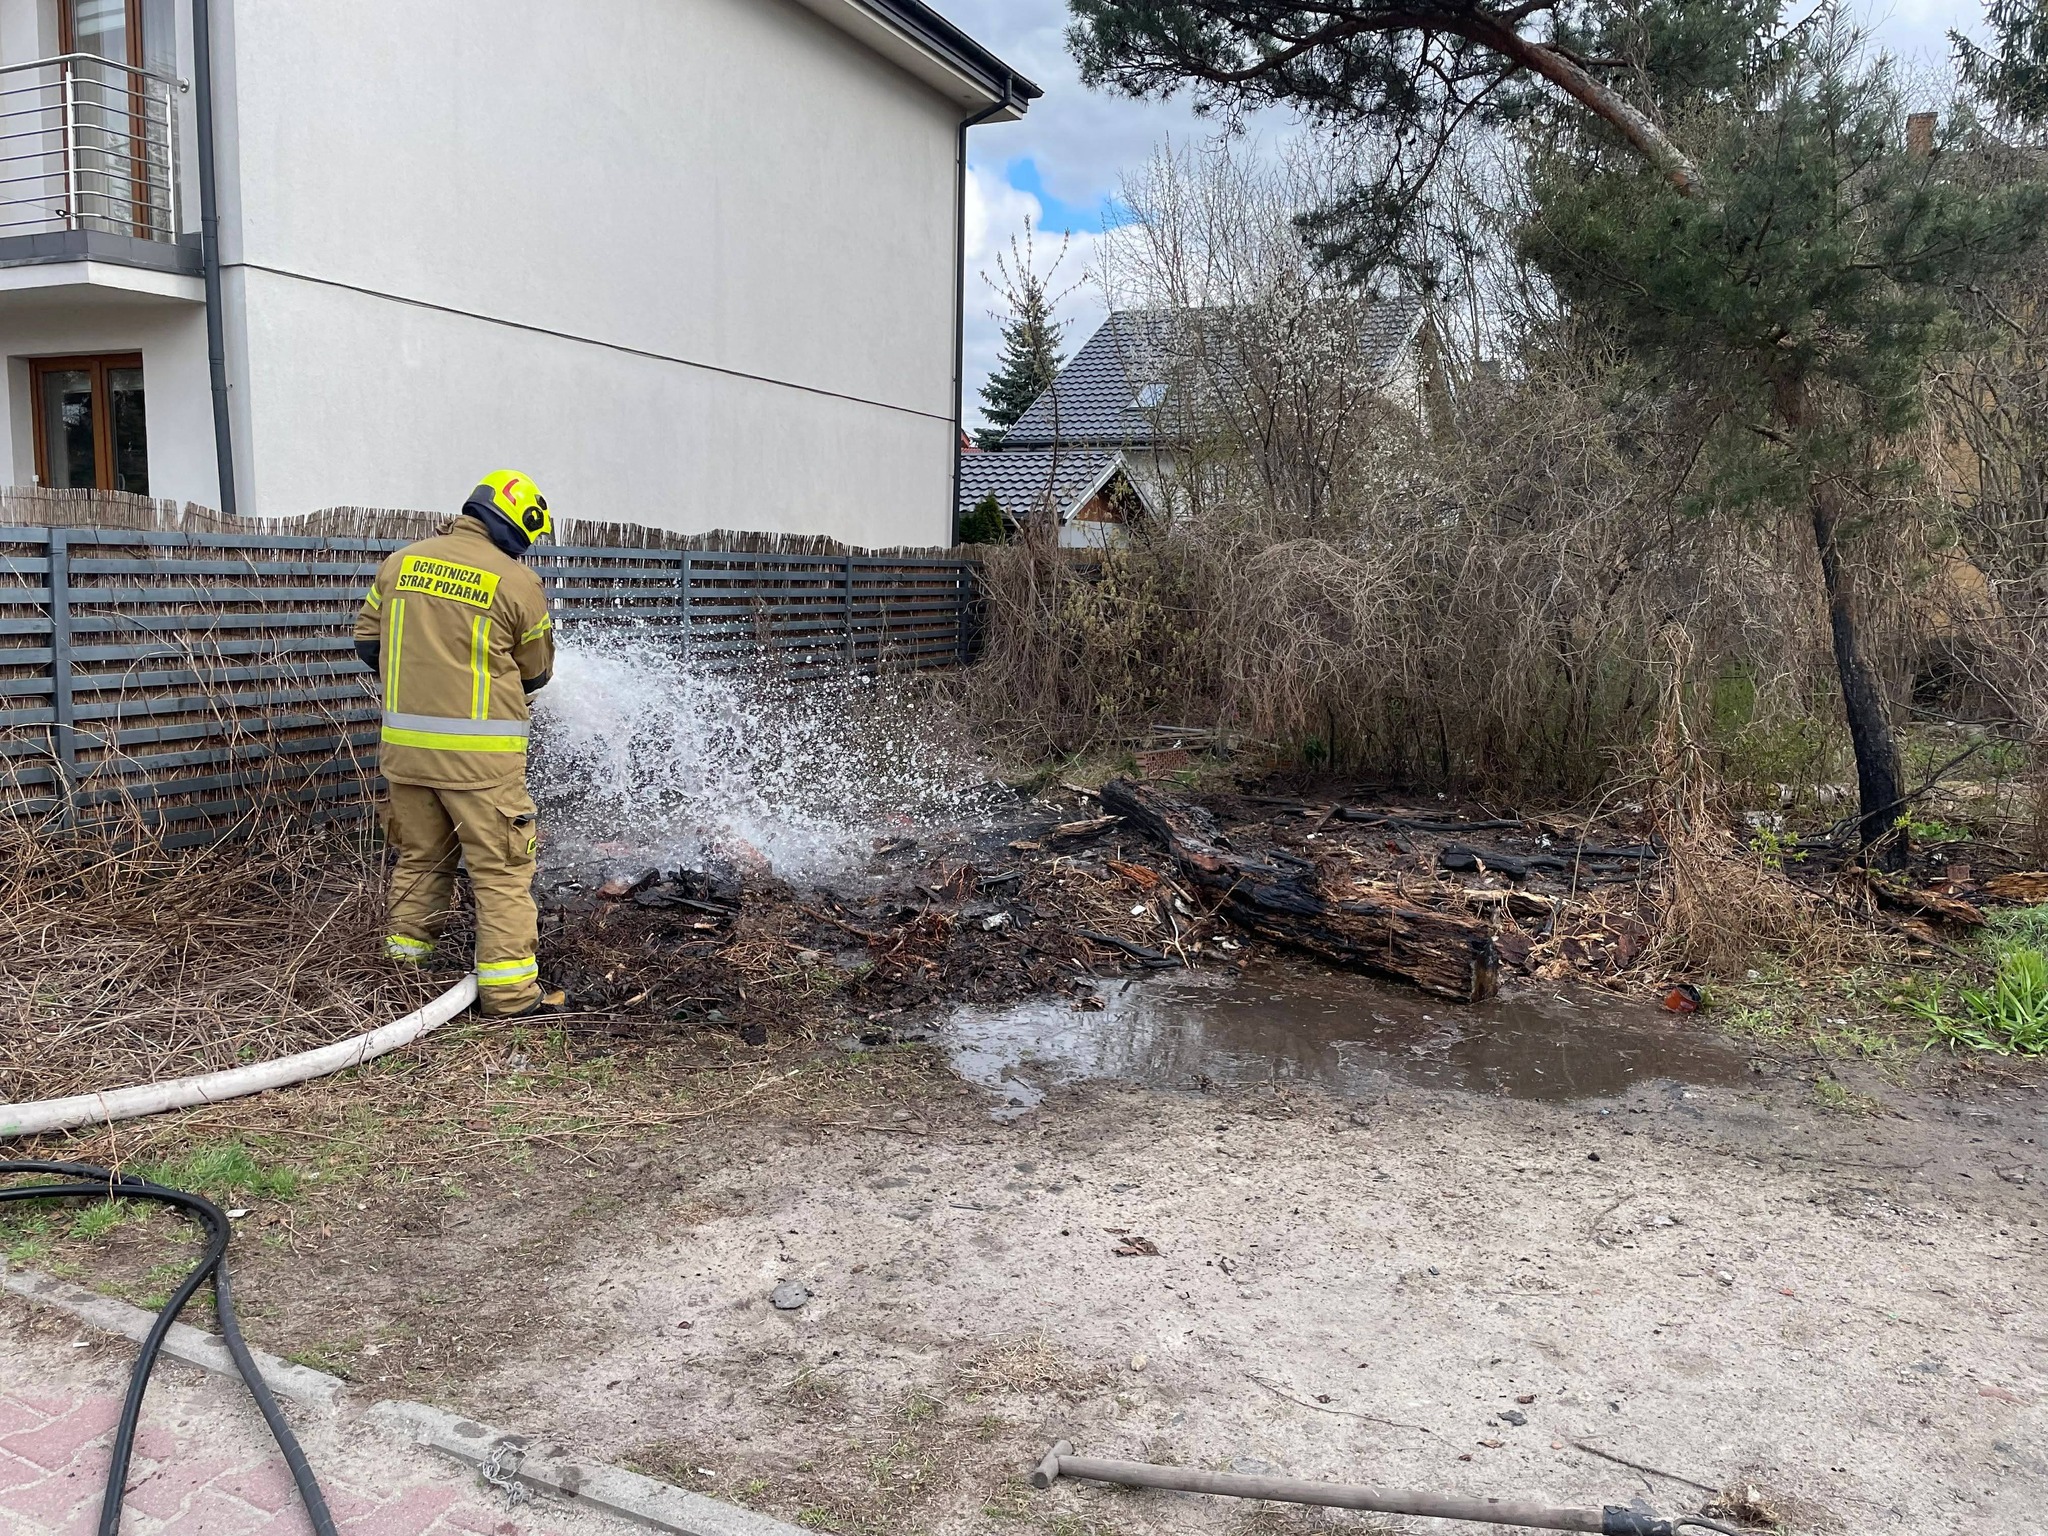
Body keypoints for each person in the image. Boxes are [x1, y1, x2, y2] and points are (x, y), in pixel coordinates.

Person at [352, 471, 566, 1018]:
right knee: (500, 872)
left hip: (406, 755)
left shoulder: (400, 563)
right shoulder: (516, 583)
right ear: (520, 526)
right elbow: (536, 672)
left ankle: (401, 972)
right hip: (481, 767)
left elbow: (366, 644)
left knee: (422, 859)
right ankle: (510, 995)